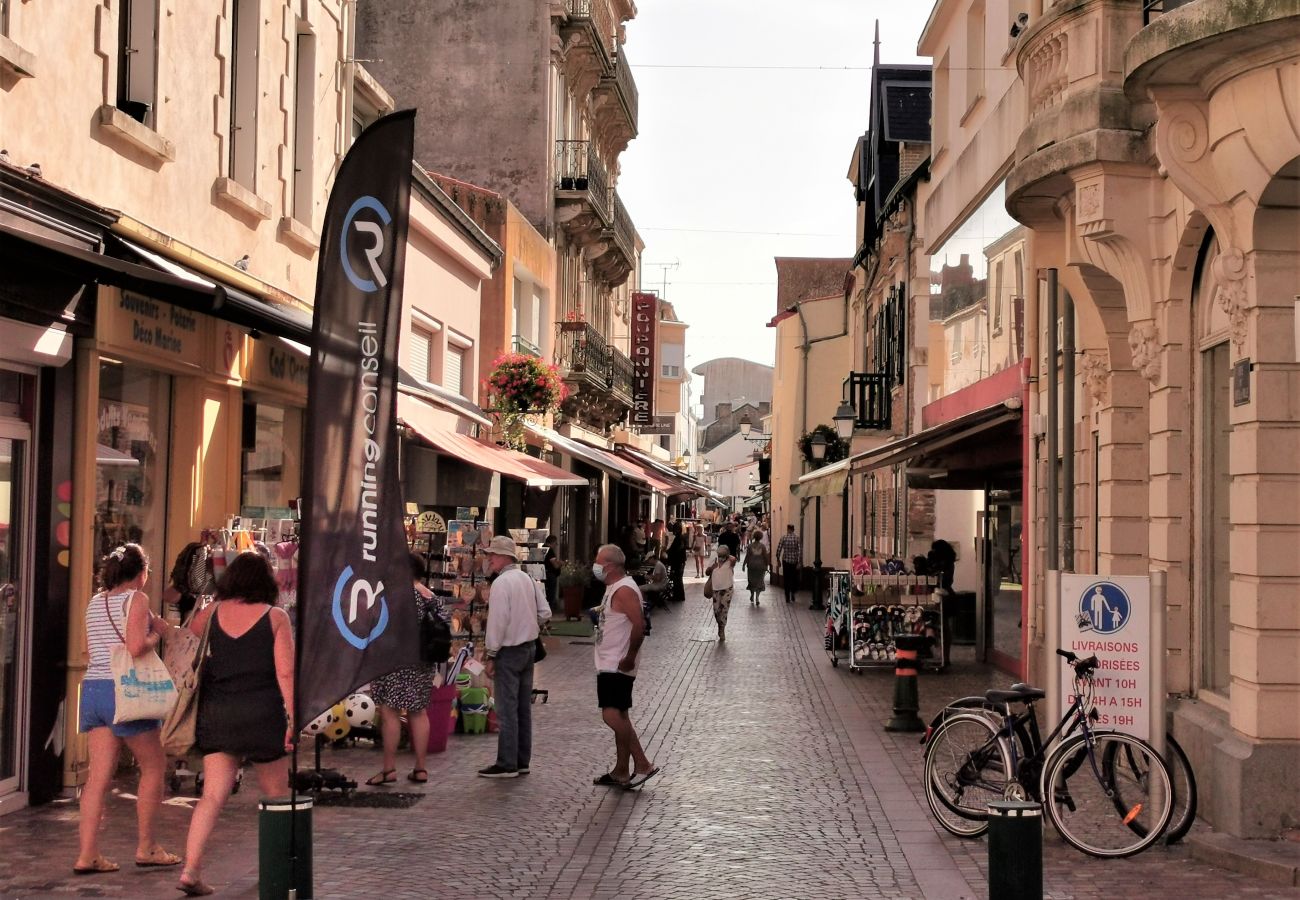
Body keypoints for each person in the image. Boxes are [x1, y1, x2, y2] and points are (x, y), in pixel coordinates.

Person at [179, 552, 294, 896]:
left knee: (212, 796)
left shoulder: (213, 612)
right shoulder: (276, 617)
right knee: (276, 795)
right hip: (263, 715)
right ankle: (275, 870)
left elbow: (188, 634)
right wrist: (293, 717)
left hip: (218, 714)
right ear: (265, 582)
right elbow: (285, 673)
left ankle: (190, 869)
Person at [74, 543, 180, 876]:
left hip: (94, 689)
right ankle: (147, 847)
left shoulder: (95, 602)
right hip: (125, 690)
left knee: (97, 777)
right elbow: (135, 648)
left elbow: (91, 649)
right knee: (153, 766)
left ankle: (88, 854)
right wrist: (155, 633)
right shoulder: (137, 599)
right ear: (141, 573)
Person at [366, 551, 449, 787]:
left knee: (390, 712)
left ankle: (389, 768)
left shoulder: (396, 595)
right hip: (422, 660)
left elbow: (380, 625)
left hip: (394, 660)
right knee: (419, 712)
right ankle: (420, 768)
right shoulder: (431, 596)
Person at [590, 545, 659, 789]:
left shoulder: (624, 589)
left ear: (609, 566)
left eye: (598, 561)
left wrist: (630, 656)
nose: (595, 566)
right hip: (610, 660)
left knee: (610, 715)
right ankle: (621, 770)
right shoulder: (614, 588)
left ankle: (642, 763)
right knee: (620, 714)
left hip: (617, 663)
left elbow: (639, 625)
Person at [479, 536, 549, 778]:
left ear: (503, 557)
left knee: (507, 708)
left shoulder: (501, 583)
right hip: (528, 648)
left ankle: (507, 763)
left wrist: (491, 654)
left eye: (492, 555)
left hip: (508, 651)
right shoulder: (527, 579)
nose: (489, 559)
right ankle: (521, 760)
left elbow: (497, 623)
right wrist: (528, 624)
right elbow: (545, 611)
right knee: (522, 707)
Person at [705, 546, 736, 642]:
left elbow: (734, 560)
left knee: (724, 610)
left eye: (723, 556)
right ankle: (720, 625)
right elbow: (707, 572)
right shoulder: (714, 560)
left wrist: (728, 556)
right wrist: (712, 568)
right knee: (716, 611)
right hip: (716, 589)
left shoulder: (730, 561)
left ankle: (722, 629)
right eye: (720, 556)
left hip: (727, 589)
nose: (721, 558)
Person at [775, 524, 802, 604]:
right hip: (794, 561)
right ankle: (793, 592)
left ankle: (787, 596)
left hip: (786, 561)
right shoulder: (797, 538)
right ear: (793, 529)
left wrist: (778, 559)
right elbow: (800, 551)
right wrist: (799, 561)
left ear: (788, 529)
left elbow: (779, 549)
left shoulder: (783, 538)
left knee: (786, 578)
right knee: (794, 577)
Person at [742, 531, 769, 606]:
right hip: (760, 566)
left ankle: (752, 595)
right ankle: (757, 597)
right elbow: (765, 557)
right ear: (760, 537)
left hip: (752, 566)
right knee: (759, 581)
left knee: (751, 581)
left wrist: (744, 565)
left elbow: (747, 556)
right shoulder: (763, 546)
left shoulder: (750, 546)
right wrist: (767, 565)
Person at [664, 522, 687, 603]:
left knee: (677, 578)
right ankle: (679, 595)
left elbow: (677, 549)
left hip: (678, 561)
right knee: (677, 579)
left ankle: (678, 596)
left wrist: (669, 552)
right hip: (679, 561)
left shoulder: (679, 538)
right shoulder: (680, 537)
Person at [542, 535, 561, 611]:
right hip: (550, 575)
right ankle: (549, 609)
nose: (556, 545)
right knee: (551, 593)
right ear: (552, 542)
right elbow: (555, 565)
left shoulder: (542, 549)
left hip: (542, 574)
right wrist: (560, 564)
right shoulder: (550, 550)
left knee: (544, 592)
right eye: (556, 543)